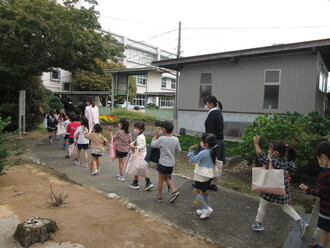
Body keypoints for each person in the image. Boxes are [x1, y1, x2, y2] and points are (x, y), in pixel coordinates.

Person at [251, 135, 308, 237]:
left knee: (262, 205)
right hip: (281, 188)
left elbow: (261, 157)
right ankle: (301, 222)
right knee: (286, 207)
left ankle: (257, 223)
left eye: (269, 149)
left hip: (269, 188)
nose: (268, 151)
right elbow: (294, 166)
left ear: (275, 153)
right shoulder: (284, 161)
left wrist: (256, 144)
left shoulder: (274, 161)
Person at [300, 141, 330, 248]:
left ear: (323, 157)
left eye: (318, 159)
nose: (319, 161)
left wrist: (308, 189)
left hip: (327, 211)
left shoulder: (325, 174)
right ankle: (321, 246)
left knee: (327, 230)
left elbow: (322, 193)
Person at [188, 133, 218, 219]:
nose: (201, 142)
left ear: (206, 144)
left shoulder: (204, 152)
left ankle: (207, 208)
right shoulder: (213, 150)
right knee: (204, 191)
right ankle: (206, 209)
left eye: (202, 141)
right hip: (209, 175)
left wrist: (190, 151)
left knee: (195, 191)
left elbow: (192, 160)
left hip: (202, 176)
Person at [151, 120, 181, 203]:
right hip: (171, 163)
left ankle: (159, 196)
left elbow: (153, 145)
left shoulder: (162, 139)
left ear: (164, 129)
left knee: (161, 179)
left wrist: (155, 136)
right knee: (166, 178)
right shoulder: (175, 139)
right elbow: (178, 150)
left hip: (163, 163)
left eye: (161, 129)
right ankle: (174, 191)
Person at [204, 95, 224, 191]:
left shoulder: (213, 114)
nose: (205, 105)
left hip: (213, 142)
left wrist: (205, 142)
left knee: (210, 163)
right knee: (216, 163)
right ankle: (213, 183)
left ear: (211, 103)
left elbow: (210, 131)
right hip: (219, 141)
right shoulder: (218, 112)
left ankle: (206, 183)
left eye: (206, 103)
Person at [128, 121, 154, 191]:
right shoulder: (140, 136)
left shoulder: (140, 137)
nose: (134, 129)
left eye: (136, 128)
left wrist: (132, 147)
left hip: (140, 156)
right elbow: (136, 142)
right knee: (139, 169)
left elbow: (141, 146)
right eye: (134, 128)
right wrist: (132, 144)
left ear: (141, 129)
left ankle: (142, 183)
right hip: (141, 156)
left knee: (138, 169)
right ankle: (140, 182)